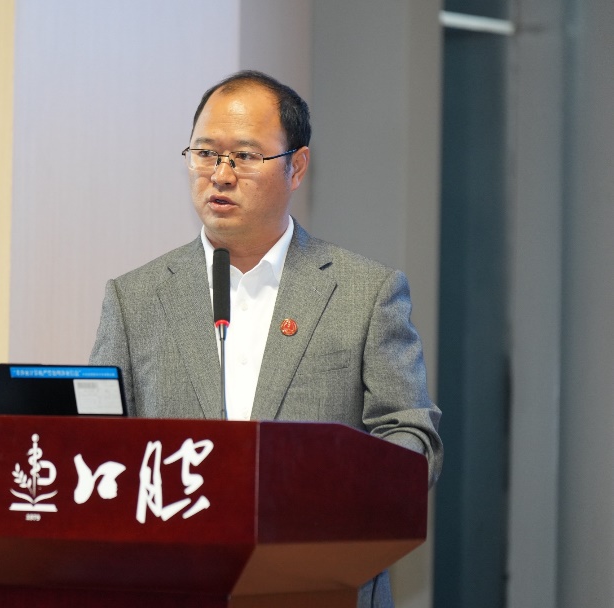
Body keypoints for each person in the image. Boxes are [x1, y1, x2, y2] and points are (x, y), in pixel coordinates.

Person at [88, 70, 442, 608]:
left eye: (245, 156)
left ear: (296, 166)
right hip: (172, 584)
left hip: (317, 583)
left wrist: (340, 496)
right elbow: (99, 443)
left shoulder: (365, 293)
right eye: (205, 153)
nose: (220, 175)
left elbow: (411, 432)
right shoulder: (134, 298)